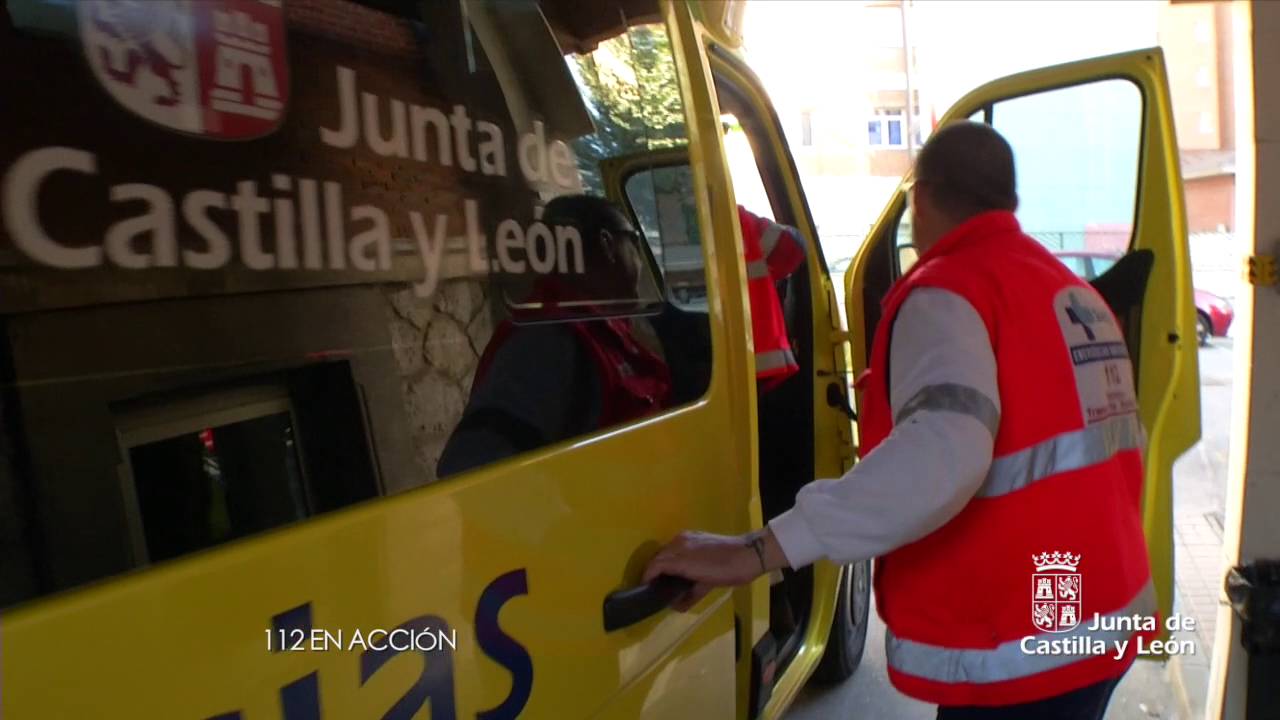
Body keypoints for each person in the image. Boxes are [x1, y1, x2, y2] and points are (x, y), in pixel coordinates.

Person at [643, 122, 1154, 719]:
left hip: (1023, 641)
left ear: (924, 196)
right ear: (1007, 202)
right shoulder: (1069, 292)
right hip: (1096, 610)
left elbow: (939, 455)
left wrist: (757, 551)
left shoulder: (949, 293)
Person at [437, 194, 670, 477]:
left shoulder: (600, 328)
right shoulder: (548, 342)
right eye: (634, 243)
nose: (639, 260)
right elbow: (470, 467)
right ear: (608, 244)